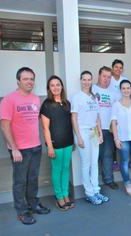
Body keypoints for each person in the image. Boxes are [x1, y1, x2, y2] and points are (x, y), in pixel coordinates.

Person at [0, 67, 50, 225]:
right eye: (26, 79)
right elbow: (5, 126)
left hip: (35, 146)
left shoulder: (36, 99)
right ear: (18, 80)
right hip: (19, 149)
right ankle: (22, 211)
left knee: (33, 179)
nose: (29, 82)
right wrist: (14, 148)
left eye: (32, 79)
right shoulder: (9, 100)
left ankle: (33, 204)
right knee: (20, 181)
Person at [71, 71, 109, 205]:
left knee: (94, 164)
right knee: (86, 164)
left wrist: (100, 133)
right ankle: (89, 193)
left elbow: (97, 116)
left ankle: (96, 190)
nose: (87, 82)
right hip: (83, 133)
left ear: (91, 80)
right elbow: (74, 118)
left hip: (94, 133)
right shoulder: (76, 97)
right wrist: (79, 137)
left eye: (89, 79)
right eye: (84, 79)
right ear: (81, 80)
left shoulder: (93, 97)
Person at [40, 76, 75, 211]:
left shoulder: (67, 103)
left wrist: (73, 141)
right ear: (49, 88)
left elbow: (70, 124)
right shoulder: (46, 105)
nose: (55, 87)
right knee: (57, 169)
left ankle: (66, 195)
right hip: (55, 145)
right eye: (52, 85)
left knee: (66, 168)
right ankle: (59, 196)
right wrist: (50, 146)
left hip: (67, 143)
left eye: (58, 85)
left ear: (61, 86)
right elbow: (45, 128)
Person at [92, 66, 118, 190]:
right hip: (94, 129)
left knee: (108, 155)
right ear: (98, 76)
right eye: (104, 76)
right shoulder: (91, 90)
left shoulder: (113, 94)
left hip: (108, 129)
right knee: (94, 157)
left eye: (108, 77)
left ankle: (108, 179)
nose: (106, 79)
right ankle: (93, 182)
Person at [107, 59, 131, 171]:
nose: (118, 69)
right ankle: (114, 161)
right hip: (111, 112)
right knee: (114, 138)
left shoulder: (124, 80)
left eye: (120, 67)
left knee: (125, 137)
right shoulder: (109, 80)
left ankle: (126, 159)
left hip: (123, 112)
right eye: (116, 67)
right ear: (112, 68)